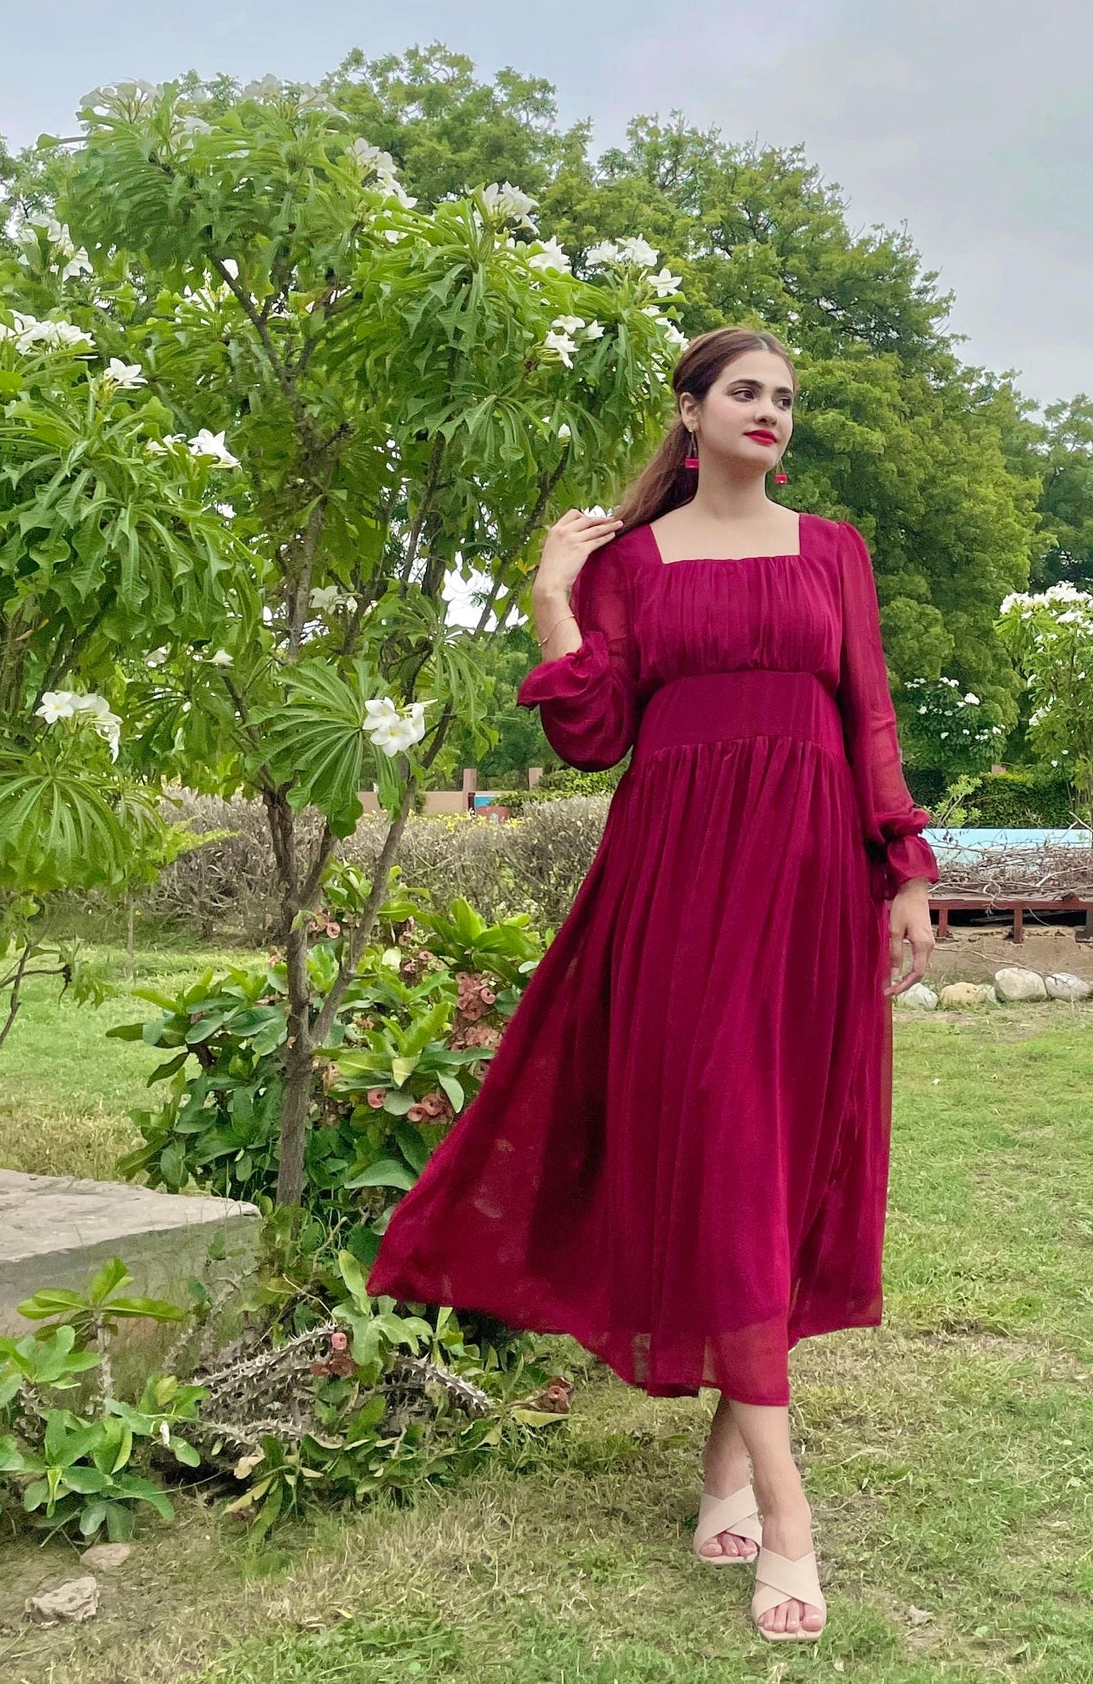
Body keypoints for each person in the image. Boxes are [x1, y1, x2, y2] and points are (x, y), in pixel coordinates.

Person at [368, 324, 938, 1644]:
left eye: (786, 397)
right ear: (689, 411)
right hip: (675, 886)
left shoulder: (830, 550)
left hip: (806, 884)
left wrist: (903, 871)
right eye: (745, 390)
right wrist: (556, 599)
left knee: (781, 1157)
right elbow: (591, 735)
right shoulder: (629, 562)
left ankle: (725, 1461)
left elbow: (867, 713)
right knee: (725, 1146)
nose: (769, 412)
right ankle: (786, 1511)